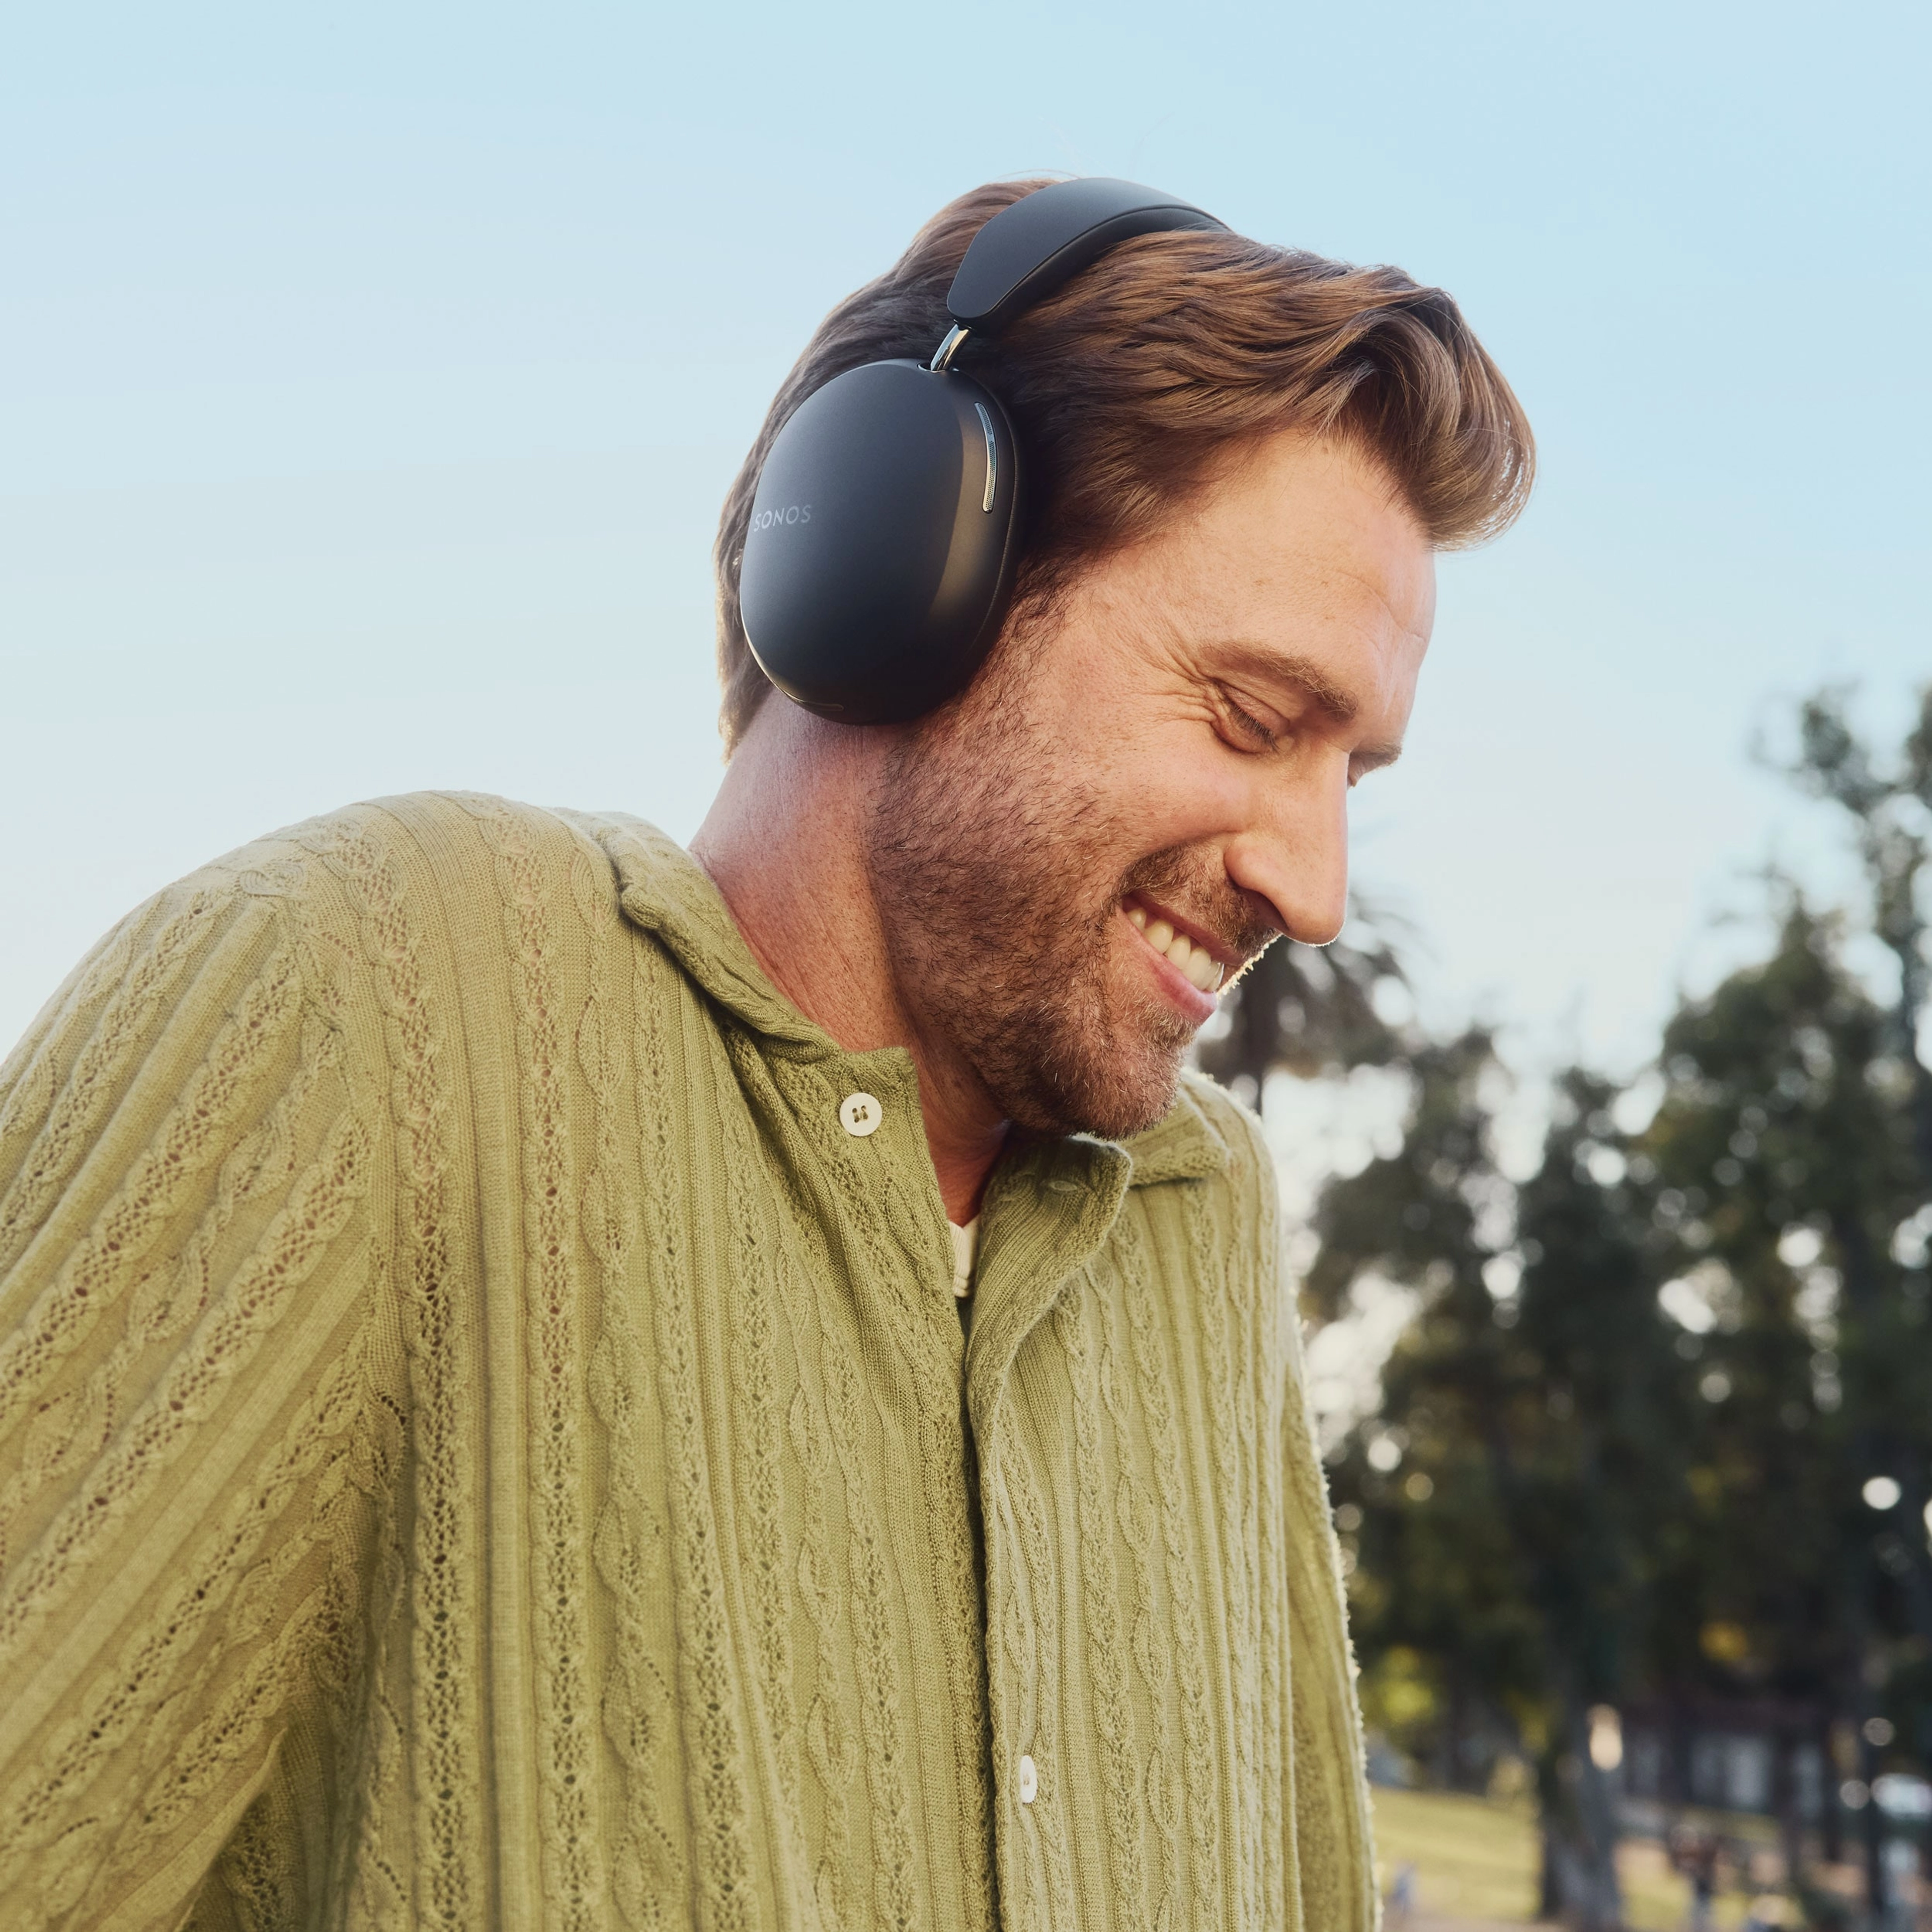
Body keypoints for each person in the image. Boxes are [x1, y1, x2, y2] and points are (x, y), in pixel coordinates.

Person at [0, 176, 1531, 1928]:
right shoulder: (368, 996)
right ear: (902, 574)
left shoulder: (1206, 1212)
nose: (1317, 888)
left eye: (1355, 777)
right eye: (1257, 719)